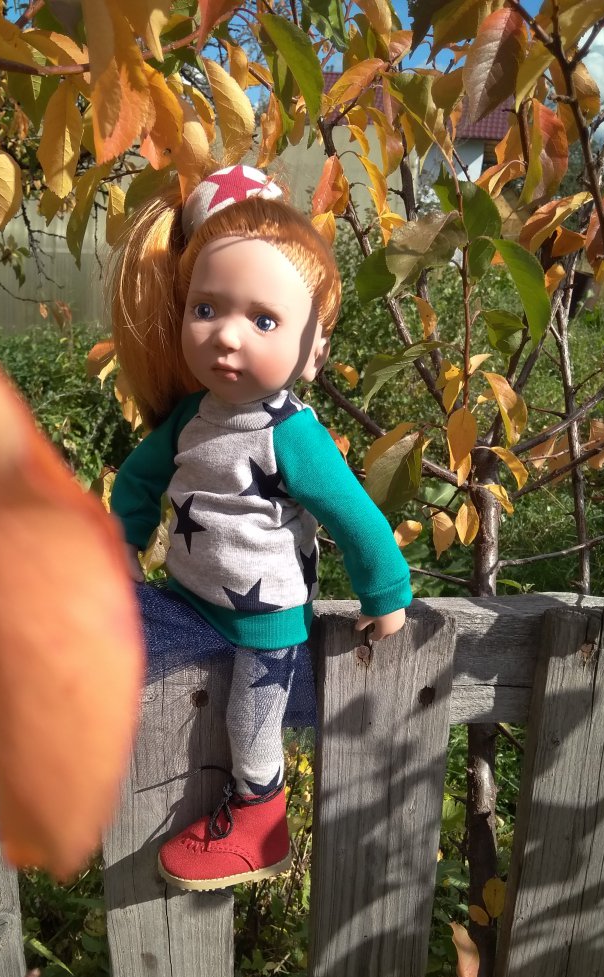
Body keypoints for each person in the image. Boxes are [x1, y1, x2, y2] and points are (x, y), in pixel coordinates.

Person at [109, 163, 411, 892]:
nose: (226, 336)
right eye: (207, 309)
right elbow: (139, 481)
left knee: (252, 726)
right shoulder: (191, 417)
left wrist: (386, 591)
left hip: (265, 618)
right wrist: (121, 540)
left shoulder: (292, 434)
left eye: (264, 320)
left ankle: (261, 818)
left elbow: (354, 515)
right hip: (188, 596)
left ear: (314, 349)